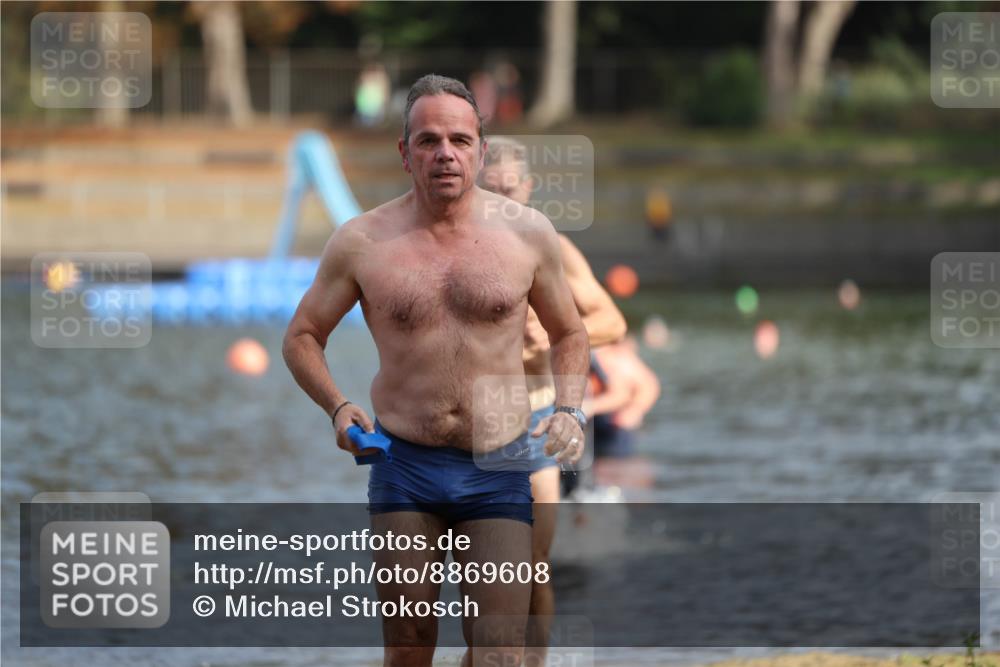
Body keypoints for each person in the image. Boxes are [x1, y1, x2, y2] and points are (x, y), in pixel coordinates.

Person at [283, 74, 590, 667]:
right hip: (405, 467)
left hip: (498, 463)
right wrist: (338, 407)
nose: (444, 153)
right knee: (409, 646)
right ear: (405, 153)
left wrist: (569, 408)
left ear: (480, 148)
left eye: (458, 139)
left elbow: (570, 331)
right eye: (427, 140)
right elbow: (301, 337)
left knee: (499, 650)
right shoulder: (362, 241)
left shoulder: (527, 234)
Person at [478, 136, 626, 666]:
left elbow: (612, 321)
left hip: (538, 416)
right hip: (476, 421)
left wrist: (553, 337)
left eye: (511, 190)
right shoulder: (456, 246)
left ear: (529, 187)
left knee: (533, 561)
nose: (503, 203)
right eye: (491, 192)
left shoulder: (554, 247)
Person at [586, 335, 660, 489]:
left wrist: (636, 408)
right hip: (593, 421)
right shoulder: (601, 355)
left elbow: (647, 385)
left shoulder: (611, 358)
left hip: (614, 423)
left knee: (612, 471)